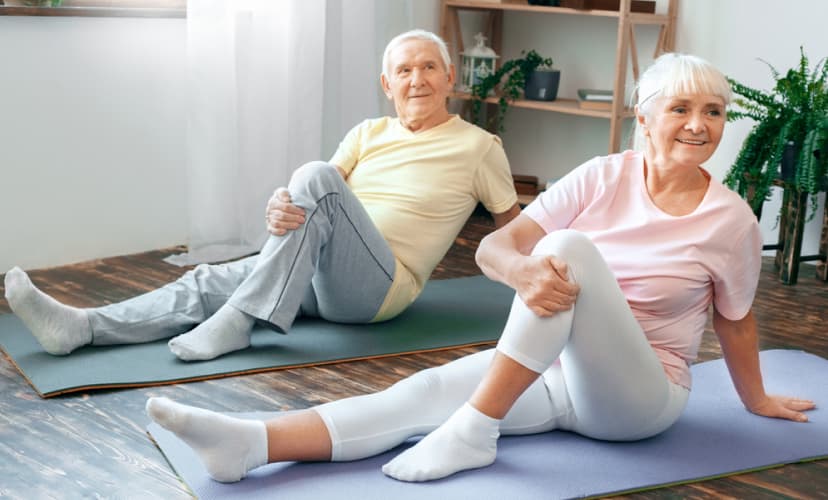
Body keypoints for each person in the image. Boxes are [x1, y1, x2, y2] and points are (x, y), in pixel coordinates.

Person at [143, 52, 816, 484]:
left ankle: (474, 429)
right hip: (554, 375)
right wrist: (522, 275)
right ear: (644, 116)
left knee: (566, 251)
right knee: (417, 395)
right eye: (680, 108)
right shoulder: (602, 175)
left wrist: (755, 400)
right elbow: (497, 248)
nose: (699, 125)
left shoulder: (729, 220)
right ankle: (253, 444)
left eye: (714, 112)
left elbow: (736, 318)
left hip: (639, 400)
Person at [3, 29, 520, 362]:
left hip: (380, 290)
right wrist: (281, 206)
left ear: (450, 78)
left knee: (314, 175)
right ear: (387, 84)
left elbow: (515, 229)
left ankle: (240, 319)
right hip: (320, 268)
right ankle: (82, 328)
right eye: (404, 70)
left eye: (429, 67)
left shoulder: (478, 147)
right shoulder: (368, 132)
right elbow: (317, 197)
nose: (417, 79)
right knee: (208, 280)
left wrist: (534, 286)